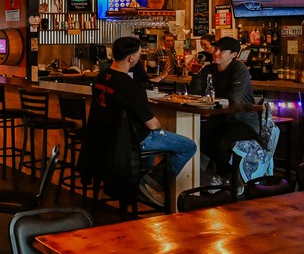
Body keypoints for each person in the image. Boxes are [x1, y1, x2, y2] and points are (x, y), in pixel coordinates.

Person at [81, 37, 196, 206]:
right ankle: (149, 184)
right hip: (131, 140)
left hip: (106, 139)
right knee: (188, 146)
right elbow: (152, 124)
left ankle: (141, 179)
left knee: (156, 150)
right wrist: (160, 131)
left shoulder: (100, 77)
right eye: (139, 55)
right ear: (131, 58)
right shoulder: (130, 86)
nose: (140, 58)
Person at [188, 36, 259, 184]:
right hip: (221, 119)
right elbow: (195, 95)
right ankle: (227, 174)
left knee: (220, 140)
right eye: (216, 49)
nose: (216, 53)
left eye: (222, 50)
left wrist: (211, 101)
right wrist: (195, 74)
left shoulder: (239, 69)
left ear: (233, 55)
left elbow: (234, 98)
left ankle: (226, 176)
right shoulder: (209, 69)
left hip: (244, 121)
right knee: (195, 135)